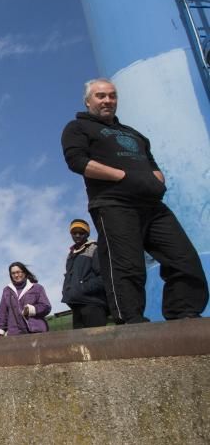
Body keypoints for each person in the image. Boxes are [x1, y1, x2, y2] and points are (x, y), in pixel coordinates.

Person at [61, 78, 207, 324]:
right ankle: (131, 321)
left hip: (153, 205)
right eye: (101, 96)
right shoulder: (78, 127)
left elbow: (153, 165)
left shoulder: (133, 134)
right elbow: (78, 162)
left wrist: (156, 182)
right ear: (88, 101)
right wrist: (123, 177)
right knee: (127, 265)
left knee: (184, 259)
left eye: (112, 95)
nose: (108, 100)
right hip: (113, 203)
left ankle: (184, 314)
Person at [61, 219, 108, 329]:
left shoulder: (95, 249)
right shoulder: (71, 255)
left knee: (97, 342)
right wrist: (66, 292)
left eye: (81, 232)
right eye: (74, 233)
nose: (77, 235)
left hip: (93, 305)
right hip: (76, 304)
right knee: (80, 345)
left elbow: (103, 277)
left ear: (87, 234)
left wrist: (82, 289)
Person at [0, 262, 51, 336]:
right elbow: (2, 312)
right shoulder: (7, 290)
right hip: (14, 333)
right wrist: (0, 330)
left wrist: (32, 309)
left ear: (24, 272)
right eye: (13, 273)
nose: (16, 275)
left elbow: (46, 307)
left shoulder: (37, 288)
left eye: (18, 272)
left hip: (36, 331)